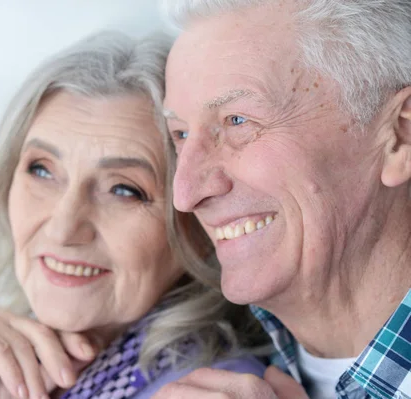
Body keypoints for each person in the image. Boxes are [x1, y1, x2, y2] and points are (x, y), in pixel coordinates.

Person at [0, 31, 267, 399]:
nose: (64, 229)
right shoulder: (4, 372)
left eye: (124, 190)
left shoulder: (213, 389)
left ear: (195, 227)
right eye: (42, 171)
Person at [155, 1, 411, 398]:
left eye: (237, 121)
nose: (185, 194)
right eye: (181, 134)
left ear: (400, 136)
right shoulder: (201, 358)